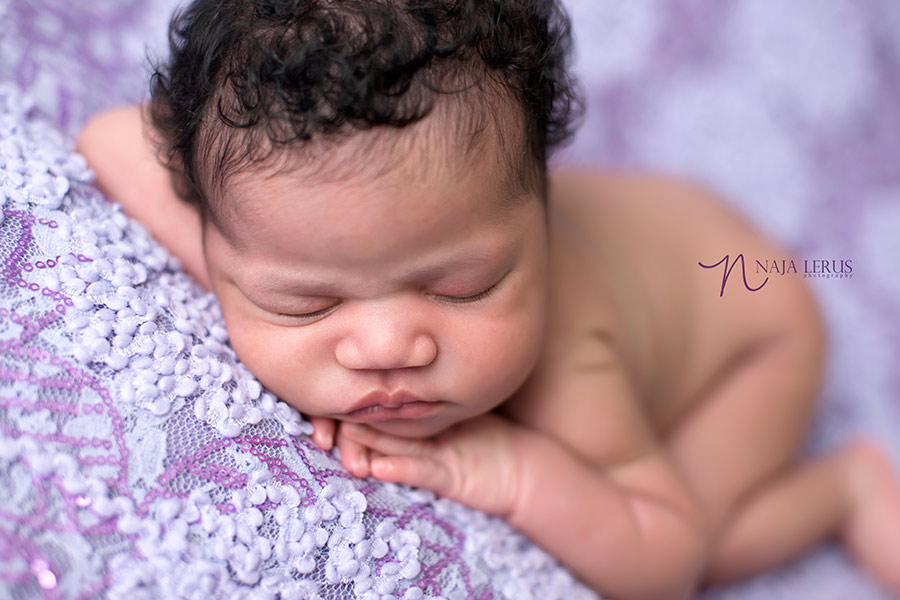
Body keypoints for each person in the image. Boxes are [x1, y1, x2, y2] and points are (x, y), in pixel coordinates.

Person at [76, 0, 900, 598]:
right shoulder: (272, 226)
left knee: (718, 548)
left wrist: (506, 469)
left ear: (540, 216)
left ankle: (847, 488)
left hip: (751, 327)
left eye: (460, 288)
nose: (390, 346)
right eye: (307, 303)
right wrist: (243, 267)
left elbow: (666, 555)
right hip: (661, 228)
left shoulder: (570, 363)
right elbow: (110, 141)